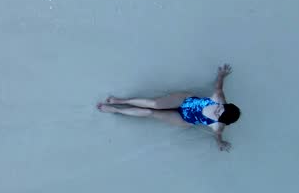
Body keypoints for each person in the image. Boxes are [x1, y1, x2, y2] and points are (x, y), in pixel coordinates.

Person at [96, 64, 241, 151]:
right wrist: (222, 75)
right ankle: (120, 100)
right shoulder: (219, 98)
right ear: (224, 104)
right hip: (185, 101)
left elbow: (218, 136)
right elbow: (218, 86)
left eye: (219, 114)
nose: (218, 110)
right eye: (221, 108)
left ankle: (116, 110)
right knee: (154, 104)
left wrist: (221, 143)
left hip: (184, 119)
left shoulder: (218, 126)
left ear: (221, 120)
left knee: (149, 112)